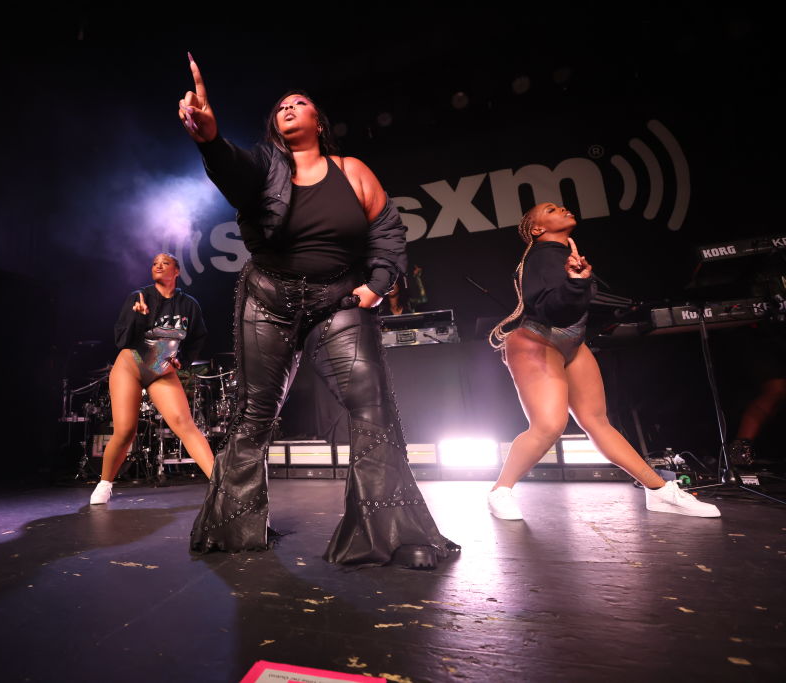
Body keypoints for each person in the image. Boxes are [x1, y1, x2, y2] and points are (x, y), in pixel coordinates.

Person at [178, 54, 458, 568]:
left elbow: (387, 231)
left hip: (339, 299)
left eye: (299, 102)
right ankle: (233, 529)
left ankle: (394, 533)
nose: (288, 108)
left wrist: (376, 286)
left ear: (318, 122)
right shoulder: (265, 165)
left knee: (372, 408)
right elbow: (233, 172)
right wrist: (210, 141)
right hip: (268, 297)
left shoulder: (352, 170)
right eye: (281, 106)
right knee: (253, 415)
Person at [487, 203, 721, 519]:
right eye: (551, 209)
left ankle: (660, 491)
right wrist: (576, 283)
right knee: (549, 426)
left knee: (598, 422)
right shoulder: (541, 257)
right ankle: (500, 491)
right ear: (537, 229)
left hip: (571, 342)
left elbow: (587, 304)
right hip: (536, 340)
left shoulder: (563, 255)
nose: (563, 208)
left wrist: (588, 286)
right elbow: (550, 309)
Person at [90, 253, 214, 504]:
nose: (158, 265)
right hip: (132, 366)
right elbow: (121, 341)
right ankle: (105, 483)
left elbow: (198, 337)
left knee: (185, 425)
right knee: (125, 431)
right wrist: (138, 316)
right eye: (155, 263)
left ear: (176, 271)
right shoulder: (139, 297)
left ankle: (220, 484)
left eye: (165, 262)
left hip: (161, 370)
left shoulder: (188, 304)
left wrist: (184, 362)